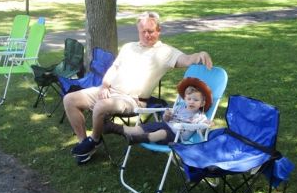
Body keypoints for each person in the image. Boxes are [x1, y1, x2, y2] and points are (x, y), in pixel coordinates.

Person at [64, 11, 213, 164]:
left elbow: (187, 59)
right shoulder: (128, 47)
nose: (147, 35)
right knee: (69, 99)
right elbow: (114, 68)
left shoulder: (166, 52)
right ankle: (83, 143)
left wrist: (199, 54)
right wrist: (104, 85)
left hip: (132, 100)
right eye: (143, 32)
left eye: (151, 31)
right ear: (138, 31)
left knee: (101, 106)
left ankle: (94, 140)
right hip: (109, 91)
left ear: (159, 30)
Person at [103, 77, 213, 144]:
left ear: (202, 103)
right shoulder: (179, 108)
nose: (191, 102)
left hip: (176, 136)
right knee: (145, 127)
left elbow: (202, 128)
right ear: (185, 99)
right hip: (164, 125)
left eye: (195, 100)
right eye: (189, 99)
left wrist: (207, 124)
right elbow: (166, 119)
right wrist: (167, 115)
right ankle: (112, 127)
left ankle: (137, 139)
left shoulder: (200, 116)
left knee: (161, 133)